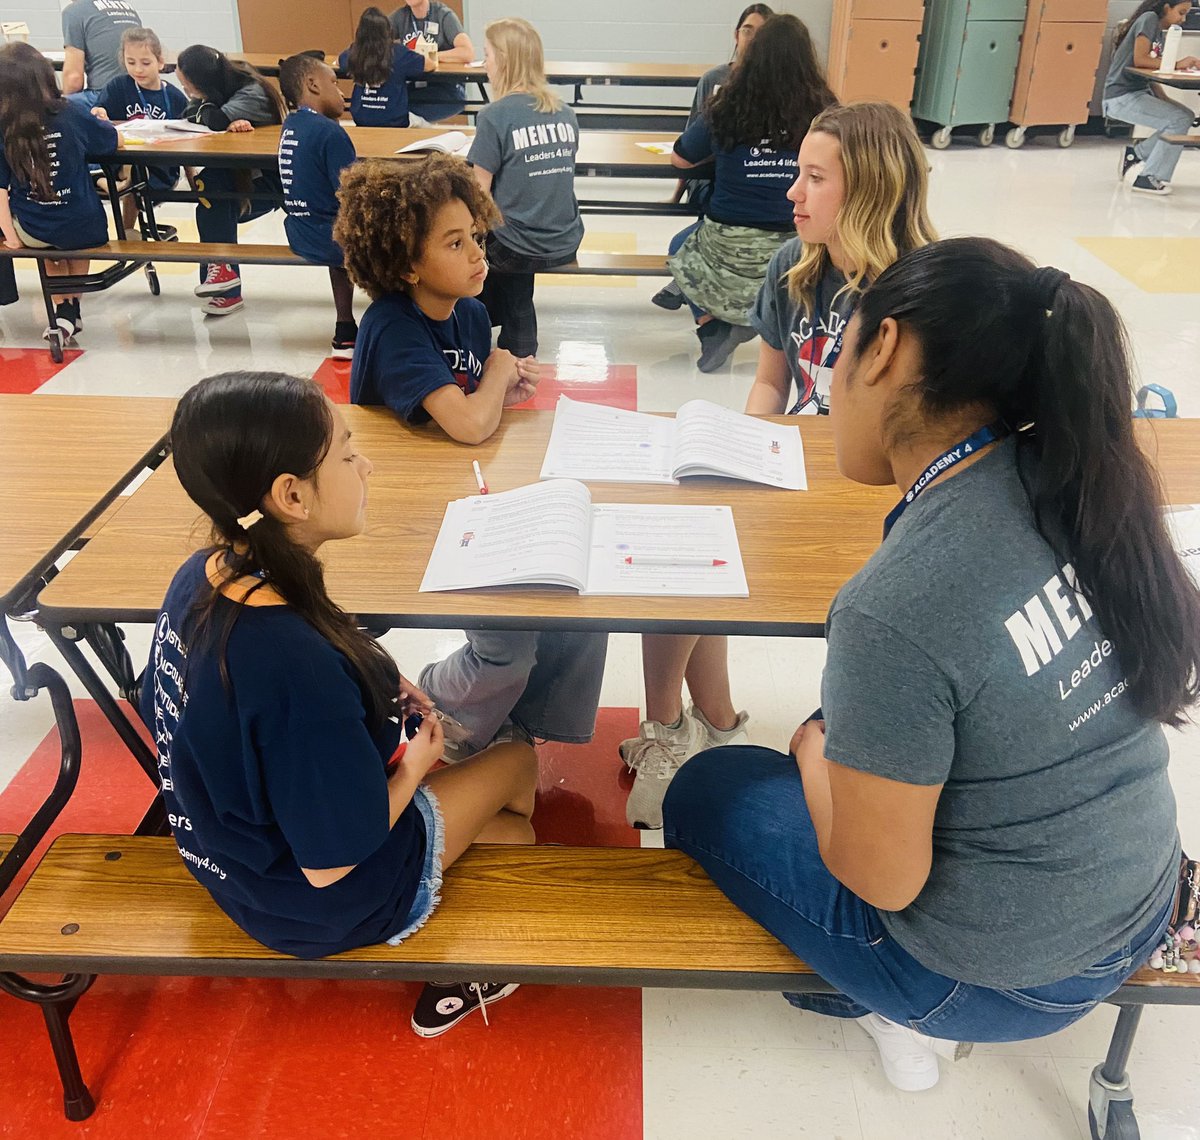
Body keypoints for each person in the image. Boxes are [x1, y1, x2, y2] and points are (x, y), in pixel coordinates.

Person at [663, 235, 1199, 1090]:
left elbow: (881, 881)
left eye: (837, 354)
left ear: (884, 347)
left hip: (996, 980)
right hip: (1142, 899)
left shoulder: (893, 603)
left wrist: (811, 754)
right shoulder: (1073, 473)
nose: (830, 389)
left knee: (705, 790)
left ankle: (886, 1006)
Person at [144, 370, 540, 1038]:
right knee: (517, 774)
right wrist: (415, 767)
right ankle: (465, 954)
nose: (367, 465)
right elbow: (329, 866)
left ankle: (465, 877)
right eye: (349, 454)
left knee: (494, 832)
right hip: (308, 901)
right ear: (292, 495)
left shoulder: (207, 574)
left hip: (227, 864)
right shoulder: (295, 669)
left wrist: (367, 671)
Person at [624, 101, 936, 831]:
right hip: (798, 476)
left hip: (874, 508)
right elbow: (771, 384)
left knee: (695, 558)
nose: (791, 192)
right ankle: (699, 725)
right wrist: (743, 454)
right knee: (682, 539)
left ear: (866, 191)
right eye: (798, 172)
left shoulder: (922, 295)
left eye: (814, 177)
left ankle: (677, 730)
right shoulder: (793, 268)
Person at [336, 155, 609, 761]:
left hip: (453, 500)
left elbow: (469, 407)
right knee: (508, 643)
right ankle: (443, 713)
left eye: (476, 237)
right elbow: (465, 424)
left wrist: (498, 387)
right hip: (390, 519)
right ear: (407, 266)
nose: (477, 254)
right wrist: (497, 374)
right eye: (455, 244)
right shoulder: (392, 325)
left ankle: (518, 720)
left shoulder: (470, 313)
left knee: (579, 600)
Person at [664, 14, 836, 373]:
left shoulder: (726, 105)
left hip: (726, 242)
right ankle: (770, 322)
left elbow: (680, 158)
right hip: (797, 242)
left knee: (679, 245)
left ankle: (711, 325)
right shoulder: (824, 110)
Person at [467, 17, 583, 358]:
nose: (484, 63)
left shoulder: (494, 116)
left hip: (521, 246)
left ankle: (514, 349)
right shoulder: (566, 112)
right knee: (506, 250)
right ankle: (501, 325)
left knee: (472, 251)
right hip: (565, 237)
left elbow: (478, 196)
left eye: (487, 55)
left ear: (504, 59)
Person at [0, 43, 118, 341]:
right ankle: (71, 309)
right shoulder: (72, 112)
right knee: (70, 239)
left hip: (32, 230)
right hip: (86, 225)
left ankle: (63, 309)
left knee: (50, 250)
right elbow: (108, 142)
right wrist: (101, 120)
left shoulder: (3, 127)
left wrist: (12, 238)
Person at [175, 45, 285, 317]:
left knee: (212, 192)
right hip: (237, 176)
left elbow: (213, 119)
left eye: (190, 87)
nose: (189, 93)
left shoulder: (252, 90)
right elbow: (188, 114)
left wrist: (213, 115)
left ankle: (222, 280)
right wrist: (208, 111)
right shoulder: (218, 91)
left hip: (272, 181)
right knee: (210, 190)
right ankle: (220, 277)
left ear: (204, 82)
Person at [663, 2, 774, 227]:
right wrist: (677, 195)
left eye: (760, 33)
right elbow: (688, 145)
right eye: (747, 30)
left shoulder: (778, 86)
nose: (752, 38)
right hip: (711, 175)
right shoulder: (714, 79)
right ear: (736, 34)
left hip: (753, 179)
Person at [277, 55, 358, 359]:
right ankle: (393, 326)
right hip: (330, 239)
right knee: (398, 237)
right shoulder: (331, 133)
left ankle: (345, 328)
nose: (340, 93)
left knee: (337, 225)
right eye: (334, 84)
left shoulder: (291, 125)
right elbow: (351, 196)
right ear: (312, 84)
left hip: (299, 232)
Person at [91, 27, 188, 238]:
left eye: (145, 63)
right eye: (131, 62)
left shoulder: (174, 97)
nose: (138, 70)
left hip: (161, 168)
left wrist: (195, 181)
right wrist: (99, 113)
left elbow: (188, 137)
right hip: (122, 162)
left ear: (160, 62)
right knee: (130, 171)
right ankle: (124, 225)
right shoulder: (118, 87)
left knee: (136, 176)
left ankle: (115, 194)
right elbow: (99, 112)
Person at [1104, 0, 1200, 196]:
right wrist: (1178, 64)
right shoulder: (1149, 19)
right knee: (1179, 119)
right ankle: (1148, 178)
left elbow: (1150, 72)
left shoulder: (1158, 30)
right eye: (1181, 13)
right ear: (1167, 7)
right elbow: (1141, 61)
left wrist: (1167, 100)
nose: (1182, 20)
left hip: (1136, 92)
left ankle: (1136, 154)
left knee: (1185, 115)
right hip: (1121, 96)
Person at [337, 6, 434, 128]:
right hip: (396, 121)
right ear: (387, 30)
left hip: (361, 119)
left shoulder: (354, 52)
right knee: (428, 128)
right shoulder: (399, 53)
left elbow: (339, 61)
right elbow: (429, 65)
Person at [389, 1, 475, 123]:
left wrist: (431, 56)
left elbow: (467, 53)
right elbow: (375, 39)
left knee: (400, 112)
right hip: (413, 87)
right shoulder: (400, 16)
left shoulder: (443, 15)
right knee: (390, 105)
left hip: (446, 88)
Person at [61, 0, 142, 108]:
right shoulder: (128, 8)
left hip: (103, 96)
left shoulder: (73, 11)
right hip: (140, 94)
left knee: (52, 107)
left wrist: (63, 109)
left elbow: (74, 79)